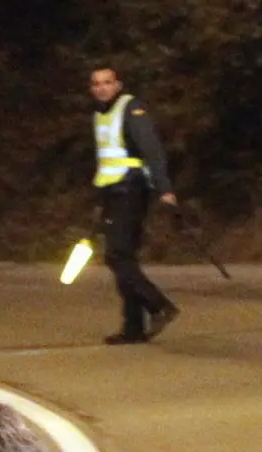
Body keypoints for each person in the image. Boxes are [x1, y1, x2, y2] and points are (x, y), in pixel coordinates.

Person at [89, 66, 181, 344]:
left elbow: (152, 149)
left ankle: (159, 306)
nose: (102, 88)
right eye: (97, 84)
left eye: (108, 82)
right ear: (91, 89)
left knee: (116, 256)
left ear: (118, 85)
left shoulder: (130, 109)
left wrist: (164, 188)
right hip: (111, 190)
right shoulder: (99, 115)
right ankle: (133, 327)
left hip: (130, 189)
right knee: (124, 257)